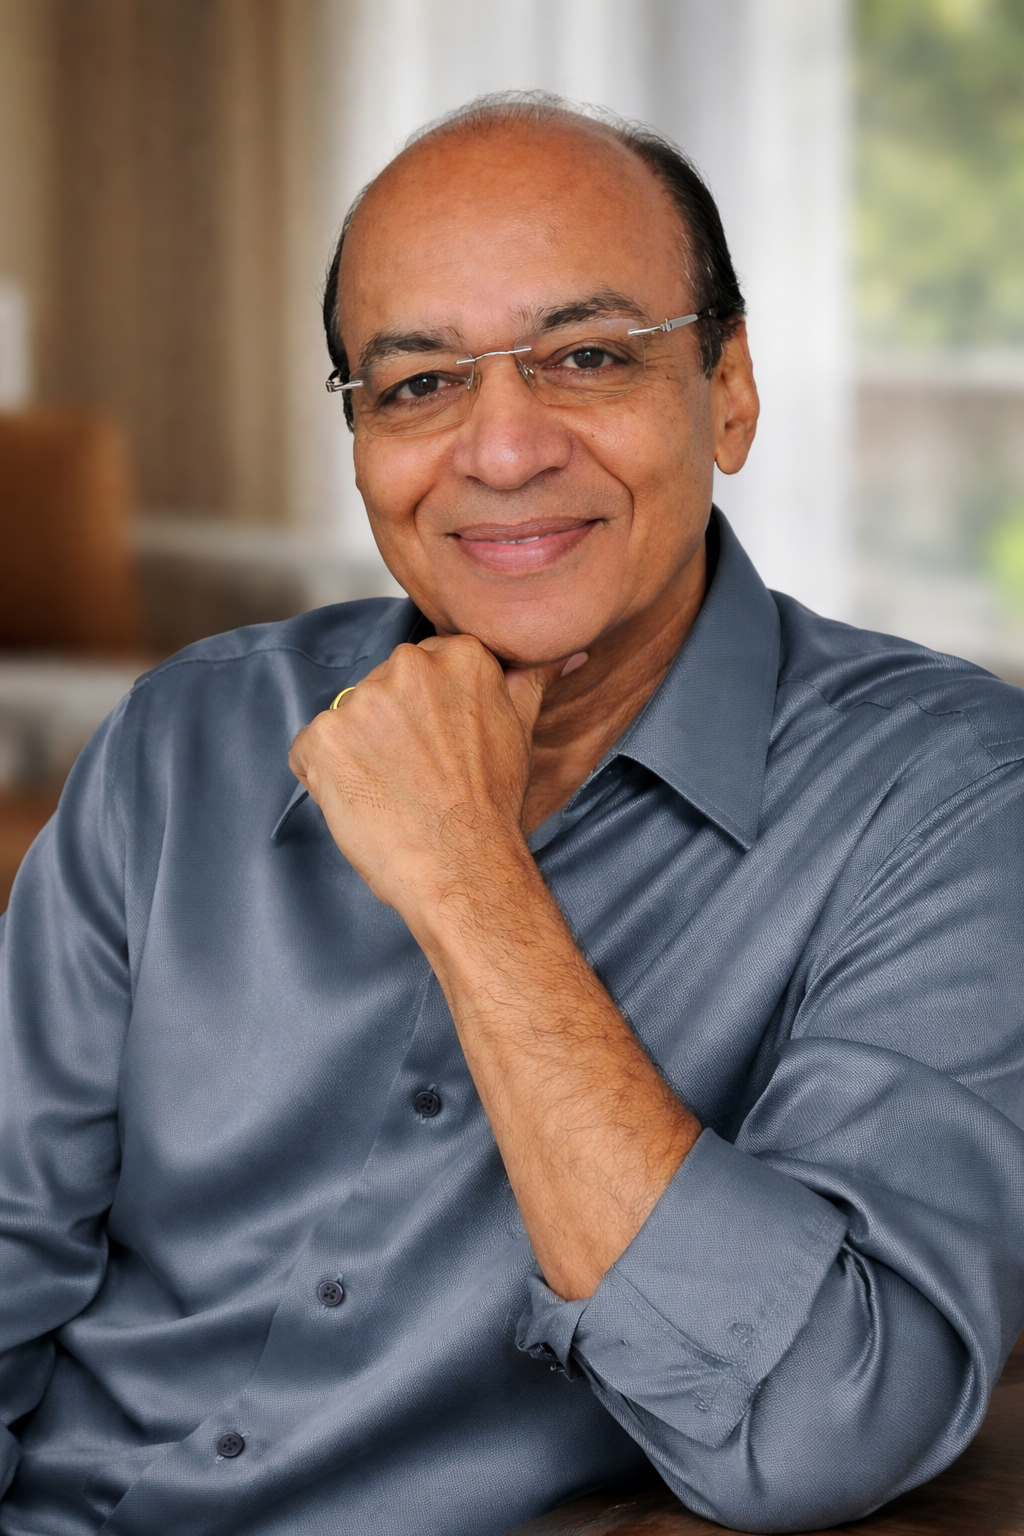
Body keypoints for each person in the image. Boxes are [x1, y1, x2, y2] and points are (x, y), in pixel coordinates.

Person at [1, 92, 1023, 1536]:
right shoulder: (194, 734)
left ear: (728, 391)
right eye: (417, 384)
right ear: (360, 440)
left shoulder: (949, 798)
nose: (499, 452)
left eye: (588, 356)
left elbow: (820, 1425)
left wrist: (473, 884)